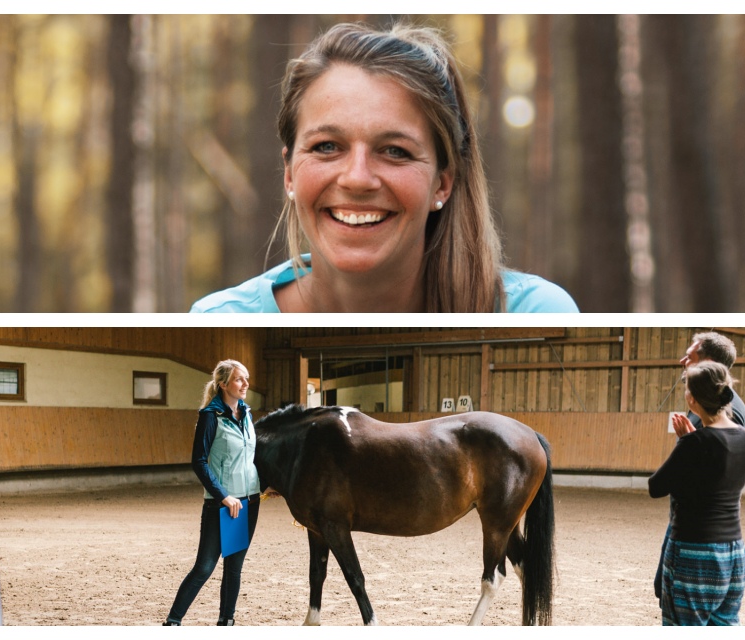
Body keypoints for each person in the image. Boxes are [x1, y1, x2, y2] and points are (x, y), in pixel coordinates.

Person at [191, 22, 578, 313]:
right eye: (327, 147)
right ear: (290, 172)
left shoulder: (534, 311)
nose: (357, 178)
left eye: (394, 151)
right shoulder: (216, 317)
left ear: (442, 184)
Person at [648, 361, 745, 625]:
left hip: (695, 554)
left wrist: (686, 442)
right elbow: (716, 472)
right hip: (734, 553)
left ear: (692, 400)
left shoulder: (694, 444)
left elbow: (656, 486)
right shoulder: (743, 436)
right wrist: (693, 440)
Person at [164, 360, 261, 625]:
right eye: (240, 379)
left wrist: (264, 485)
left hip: (249, 501)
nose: (246, 384)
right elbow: (199, 462)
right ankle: (172, 623)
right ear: (223, 384)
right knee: (205, 567)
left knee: (234, 568)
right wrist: (223, 496)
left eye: (247, 379)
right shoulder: (210, 415)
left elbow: (250, 455)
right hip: (223, 504)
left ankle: (226, 623)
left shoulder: (246, 413)